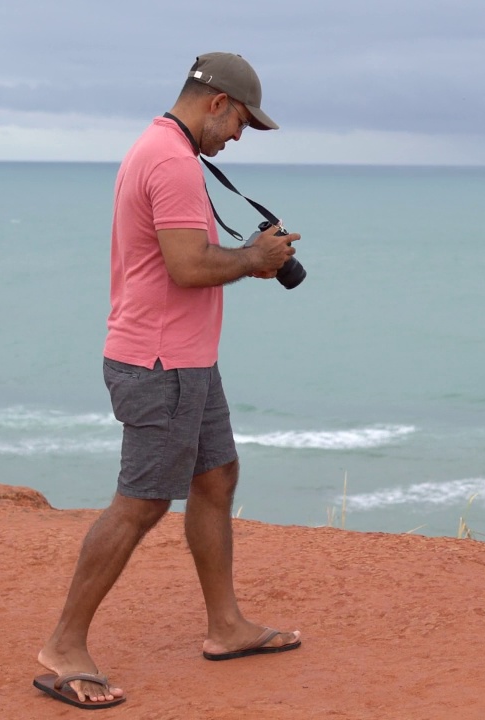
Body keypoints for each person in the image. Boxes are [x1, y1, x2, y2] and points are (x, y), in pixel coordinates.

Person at [33, 52, 303, 708]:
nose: (239, 137)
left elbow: (185, 258)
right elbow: (186, 266)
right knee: (143, 501)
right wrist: (255, 257)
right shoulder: (173, 160)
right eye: (240, 122)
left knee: (215, 477)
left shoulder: (163, 148)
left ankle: (226, 626)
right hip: (160, 365)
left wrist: (245, 261)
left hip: (184, 360)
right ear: (216, 103)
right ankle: (64, 645)